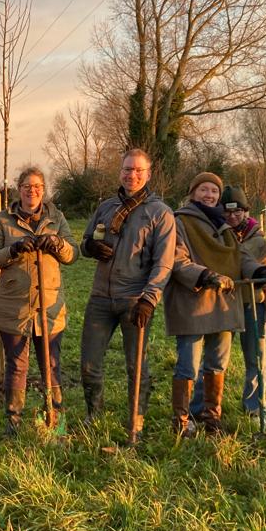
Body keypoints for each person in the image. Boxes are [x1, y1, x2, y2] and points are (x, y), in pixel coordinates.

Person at [164, 172, 266, 437]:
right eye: (204, 190)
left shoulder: (225, 228)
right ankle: (182, 422)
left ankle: (211, 418)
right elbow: (177, 260)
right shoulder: (179, 222)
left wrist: (263, 274)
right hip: (193, 304)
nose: (209, 195)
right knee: (188, 364)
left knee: (217, 364)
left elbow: (242, 258)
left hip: (223, 305)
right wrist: (206, 275)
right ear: (193, 193)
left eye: (214, 192)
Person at [79, 149, 176, 434]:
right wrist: (91, 247)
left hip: (135, 299)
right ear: (119, 171)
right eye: (126, 169)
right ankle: (93, 414)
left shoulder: (160, 213)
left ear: (148, 174)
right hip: (100, 297)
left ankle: (137, 417)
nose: (131, 175)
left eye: (137, 170)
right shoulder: (106, 207)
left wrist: (149, 298)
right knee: (89, 363)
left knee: (136, 365)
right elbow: (86, 242)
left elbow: (164, 262)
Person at [0, 166, 77, 436]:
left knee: (51, 364)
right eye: (26, 186)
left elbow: (73, 254)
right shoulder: (2, 220)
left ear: (43, 190)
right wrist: (12, 250)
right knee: (17, 365)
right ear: (19, 189)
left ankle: (54, 417)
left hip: (49, 307)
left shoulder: (56, 218)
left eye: (37, 186)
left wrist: (58, 244)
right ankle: (13, 421)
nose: (32, 190)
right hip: (15, 307)